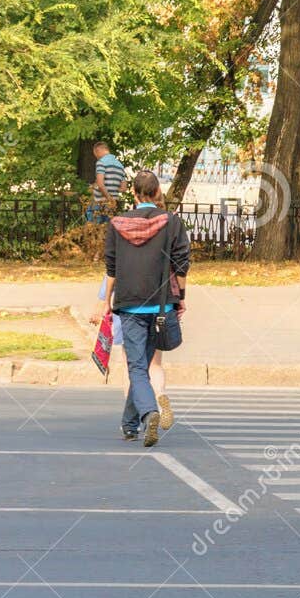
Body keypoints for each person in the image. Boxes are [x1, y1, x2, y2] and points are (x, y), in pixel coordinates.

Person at [103, 171, 188, 447]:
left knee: (137, 366)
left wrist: (106, 301)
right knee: (142, 364)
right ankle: (130, 425)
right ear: (156, 193)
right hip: (161, 304)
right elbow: (181, 263)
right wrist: (182, 297)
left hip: (129, 303)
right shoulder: (172, 222)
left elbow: (112, 267)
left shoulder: (116, 224)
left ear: (135, 194)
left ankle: (149, 412)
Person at [89, 142, 126, 224]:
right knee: (107, 230)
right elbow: (123, 188)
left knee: (94, 230)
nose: (96, 157)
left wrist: (109, 198)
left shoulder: (101, 162)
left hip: (99, 203)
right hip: (113, 204)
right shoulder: (120, 165)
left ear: (98, 151)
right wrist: (112, 190)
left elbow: (100, 185)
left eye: (95, 154)